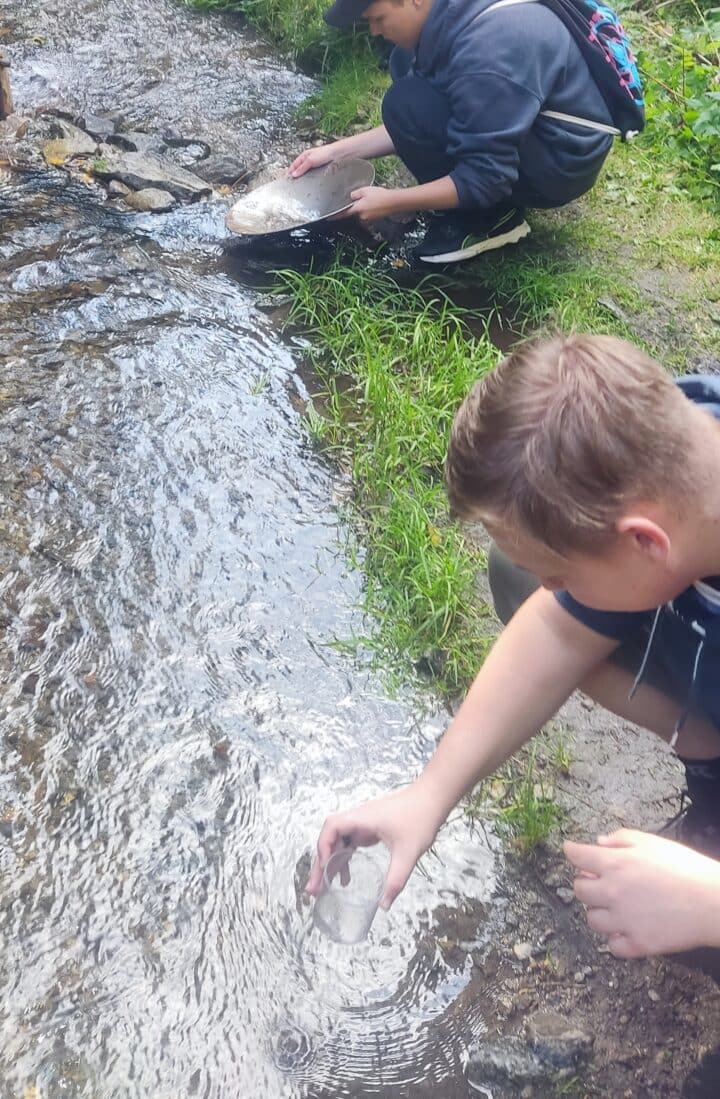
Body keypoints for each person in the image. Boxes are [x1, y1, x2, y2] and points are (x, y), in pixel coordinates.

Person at [307, 334, 720, 961]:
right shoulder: (685, 438)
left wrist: (705, 902)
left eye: (565, 579)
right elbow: (555, 629)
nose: (554, 593)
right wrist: (427, 795)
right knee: (518, 572)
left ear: (645, 543)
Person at [288, 0, 617, 265]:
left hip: (562, 161)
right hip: (534, 120)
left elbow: (487, 177)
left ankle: (490, 220)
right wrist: (336, 152)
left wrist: (393, 201)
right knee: (405, 67)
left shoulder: (488, 54)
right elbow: (437, 113)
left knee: (406, 104)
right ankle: (478, 204)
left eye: (377, 18)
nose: (374, 30)